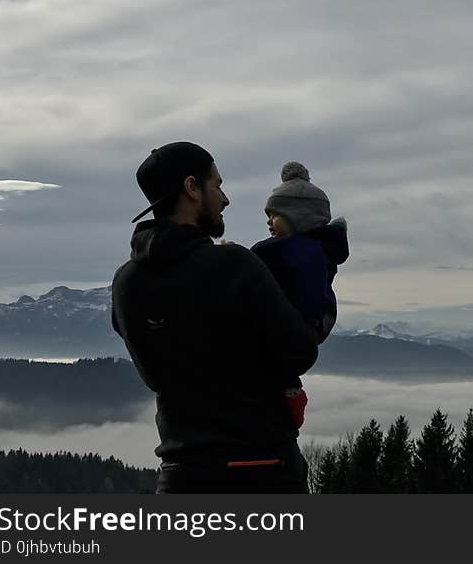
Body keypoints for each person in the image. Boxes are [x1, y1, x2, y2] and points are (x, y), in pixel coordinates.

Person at [111, 141, 318, 493]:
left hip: (180, 476)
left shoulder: (126, 283)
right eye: (217, 185)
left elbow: (156, 374)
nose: (225, 198)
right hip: (262, 470)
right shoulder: (234, 265)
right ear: (192, 188)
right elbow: (301, 351)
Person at [249, 161, 349, 429]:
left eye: (275, 215)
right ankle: (290, 397)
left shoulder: (298, 253)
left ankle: (288, 397)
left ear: (297, 217)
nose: (269, 222)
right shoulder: (315, 252)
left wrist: (234, 259)